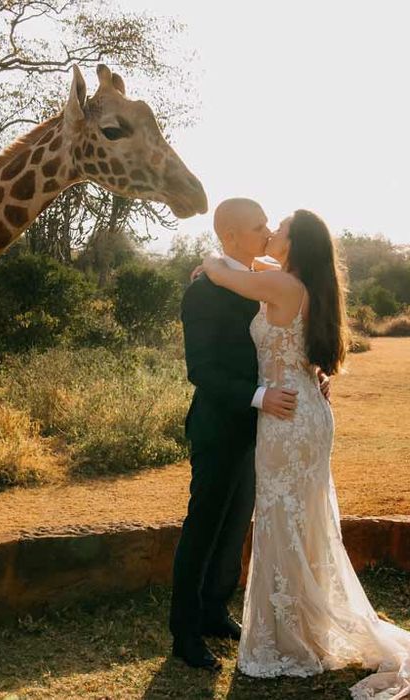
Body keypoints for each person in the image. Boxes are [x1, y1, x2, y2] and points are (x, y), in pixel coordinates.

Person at [201, 208, 410, 699]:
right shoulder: (300, 282)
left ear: (295, 246)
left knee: (282, 517)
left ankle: (290, 640)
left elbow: (220, 272)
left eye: (281, 230)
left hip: (287, 417)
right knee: (299, 518)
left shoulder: (283, 288)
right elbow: (256, 271)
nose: (272, 232)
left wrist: (212, 259)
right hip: (304, 410)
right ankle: (301, 629)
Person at [169, 198, 322, 670]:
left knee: (236, 526)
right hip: (220, 427)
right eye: (258, 227)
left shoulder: (260, 279)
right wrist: (258, 396)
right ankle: (185, 633)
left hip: (264, 431)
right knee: (203, 528)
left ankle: (216, 611)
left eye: (269, 225)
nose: (267, 231)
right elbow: (203, 371)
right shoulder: (202, 293)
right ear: (230, 235)